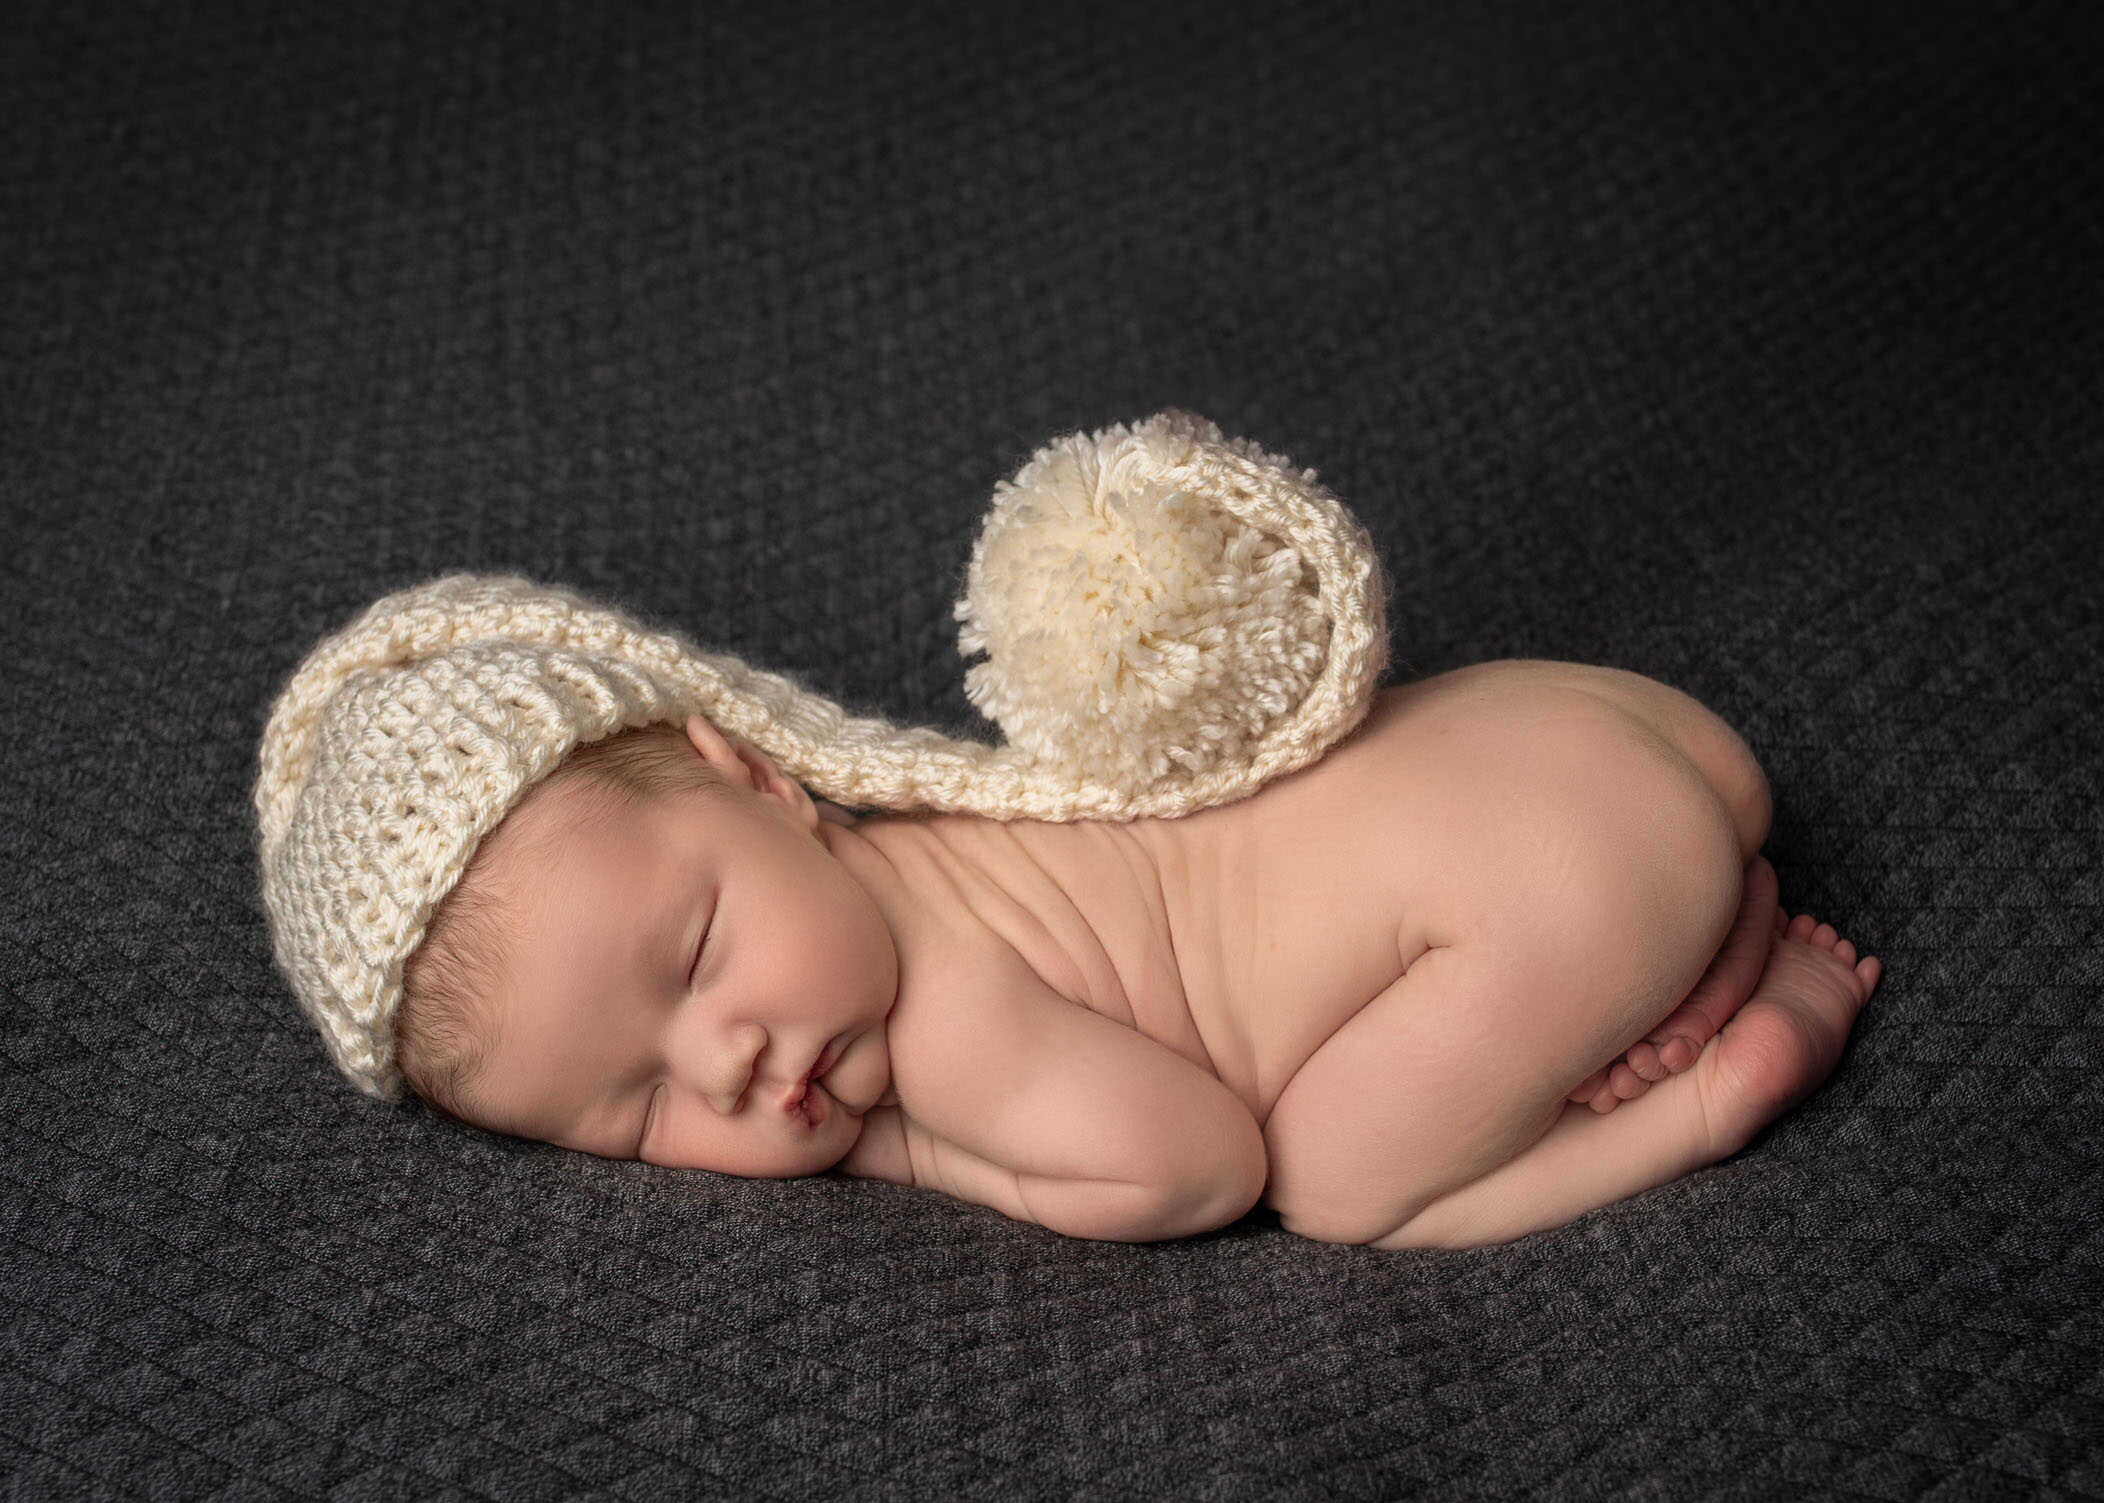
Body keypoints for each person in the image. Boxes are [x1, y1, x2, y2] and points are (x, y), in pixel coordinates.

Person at [253, 414, 1879, 1249]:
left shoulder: (950, 1023)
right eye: (631, 1112)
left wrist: (908, 1144)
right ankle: (1690, 939)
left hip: (1558, 875)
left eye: (692, 958)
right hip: (1596, 737)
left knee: (1331, 1182)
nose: (728, 1063)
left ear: (762, 777)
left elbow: (1190, 1164)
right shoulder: (926, 851)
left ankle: (1711, 1091)